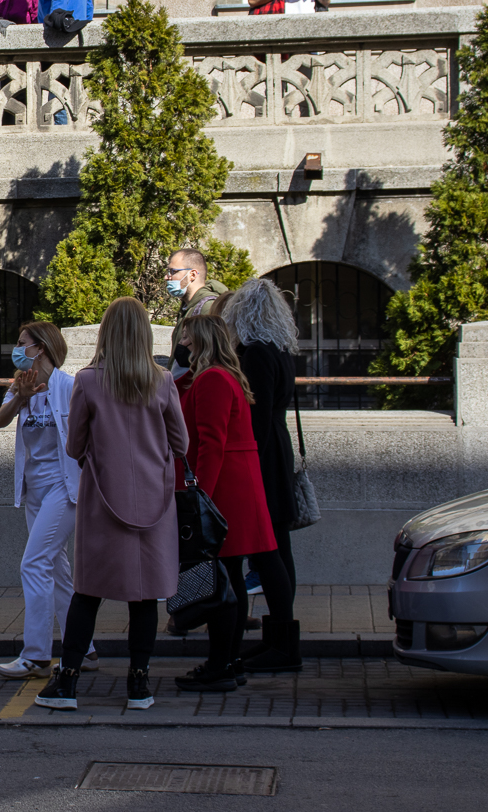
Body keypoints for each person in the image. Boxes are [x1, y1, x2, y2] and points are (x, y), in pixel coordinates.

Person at [35, 297, 187, 712]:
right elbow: (182, 443)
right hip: (154, 503)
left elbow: (74, 445)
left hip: (103, 500)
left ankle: (67, 682)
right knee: (145, 597)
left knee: (88, 592)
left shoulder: (88, 381)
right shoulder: (162, 380)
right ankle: (139, 684)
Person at [172, 315, 298, 690]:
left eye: (190, 343)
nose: (185, 349)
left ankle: (221, 663)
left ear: (203, 343)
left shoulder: (212, 379)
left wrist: (200, 495)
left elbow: (211, 443)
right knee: (230, 582)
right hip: (238, 485)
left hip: (225, 488)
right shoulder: (219, 376)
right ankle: (226, 661)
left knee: (223, 584)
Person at [0, 322, 96, 679]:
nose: (17, 350)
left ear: (42, 348)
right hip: (33, 489)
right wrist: (21, 397)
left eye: (22, 344)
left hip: (64, 489)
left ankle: (36, 654)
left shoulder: (71, 387)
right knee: (57, 568)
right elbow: (0, 421)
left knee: (33, 564)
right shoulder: (20, 384)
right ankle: (83, 646)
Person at [223, 278, 305, 671]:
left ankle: (282, 644)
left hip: (262, 456)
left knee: (267, 550)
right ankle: (281, 637)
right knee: (277, 549)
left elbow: (253, 415)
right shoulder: (280, 350)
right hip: (277, 449)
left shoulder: (255, 354)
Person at [166, 248, 227, 372]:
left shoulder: (208, 308)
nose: (167, 277)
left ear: (192, 275)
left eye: (173, 271)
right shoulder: (187, 306)